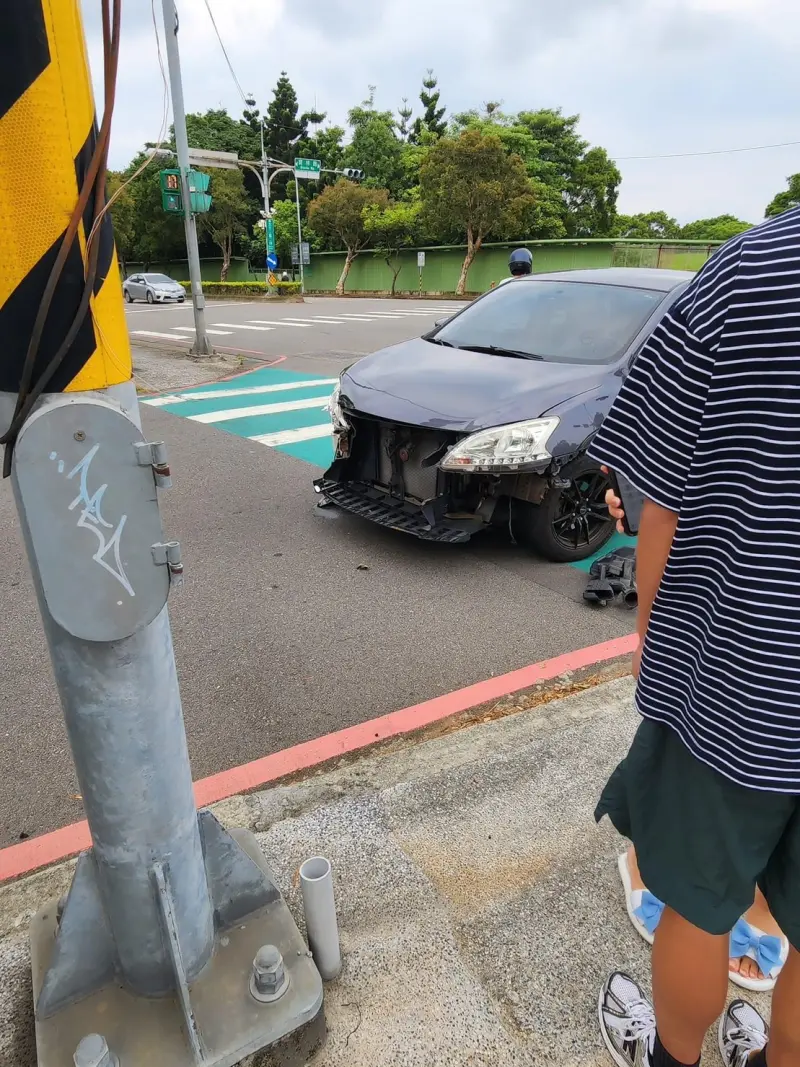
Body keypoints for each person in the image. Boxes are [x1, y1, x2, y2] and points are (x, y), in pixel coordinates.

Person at [587, 205, 800, 1067]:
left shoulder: (748, 276)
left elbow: (654, 503)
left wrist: (655, 643)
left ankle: (673, 1056)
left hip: (736, 681)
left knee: (695, 900)